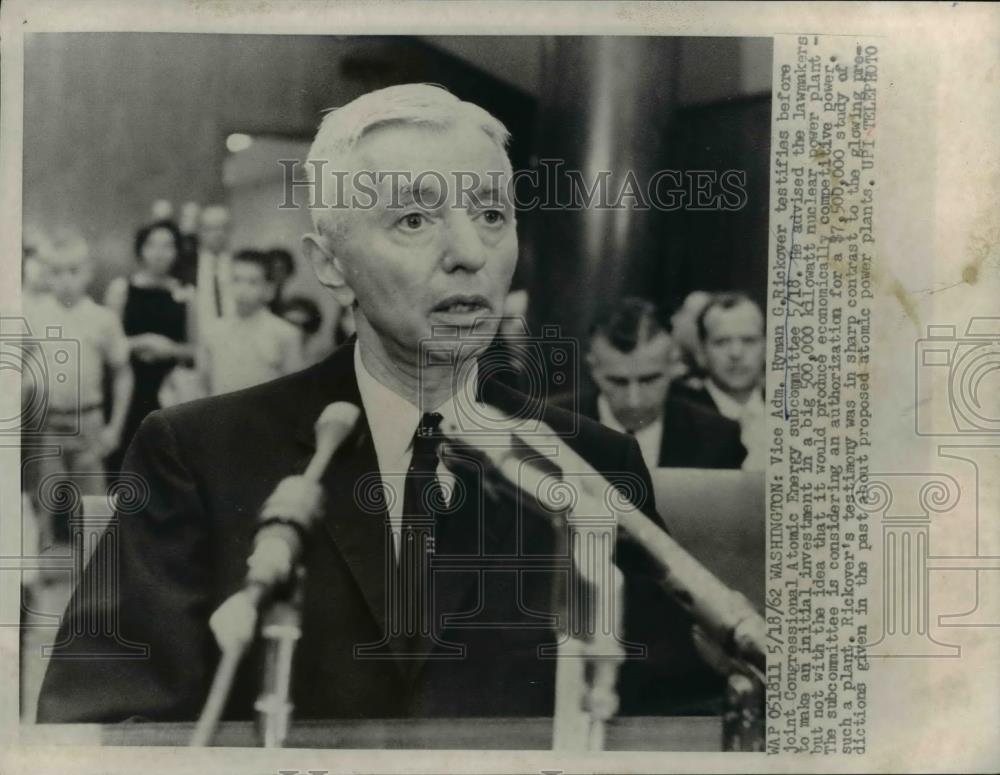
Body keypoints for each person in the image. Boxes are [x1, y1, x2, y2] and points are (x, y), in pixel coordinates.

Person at [38, 85, 718, 724]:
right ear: (331, 264)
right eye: (415, 219)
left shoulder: (590, 461)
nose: (468, 253)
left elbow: (678, 719)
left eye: (491, 214)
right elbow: (101, 721)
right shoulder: (196, 455)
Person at [22, 231, 133, 549]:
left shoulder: (103, 319)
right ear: (46, 275)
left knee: (94, 505)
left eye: (73, 271)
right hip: (47, 425)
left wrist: (115, 427)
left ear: (88, 273)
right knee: (42, 500)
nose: (65, 281)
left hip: (90, 422)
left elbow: (123, 373)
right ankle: (36, 581)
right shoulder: (34, 315)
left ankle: (93, 576)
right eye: (56, 273)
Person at [581, 297, 746, 471]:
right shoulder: (552, 428)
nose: (634, 401)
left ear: (674, 365)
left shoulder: (718, 437)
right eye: (617, 382)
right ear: (593, 369)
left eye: (649, 380)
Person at [104, 220, 195, 475]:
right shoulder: (121, 289)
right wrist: (140, 342)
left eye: (167, 246)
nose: (159, 252)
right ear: (141, 249)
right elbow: (107, 343)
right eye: (152, 245)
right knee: (123, 462)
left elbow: (195, 349)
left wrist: (170, 350)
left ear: (177, 252)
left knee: (162, 462)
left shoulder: (185, 293)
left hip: (168, 388)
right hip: (127, 386)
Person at [672, 293, 767, 470]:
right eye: (721, 342)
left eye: (749, 340)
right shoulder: (679, 417)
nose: (736, 353)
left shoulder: (790, 412)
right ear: (701, 352)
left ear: (766, 346)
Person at [199, 250, 305, 395]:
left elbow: (296, 390)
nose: (242, 290)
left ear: (269, 290)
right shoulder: (213, 331)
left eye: (252, 282)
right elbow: (204, 385)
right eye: (236, 280)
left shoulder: (285, 333)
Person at [193, 204, 234, 333]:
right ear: (199, 231)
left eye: (223, 228)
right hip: (199, 340)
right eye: (211, 229)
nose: (218, 234)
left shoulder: (239, 265)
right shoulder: (186, 267)